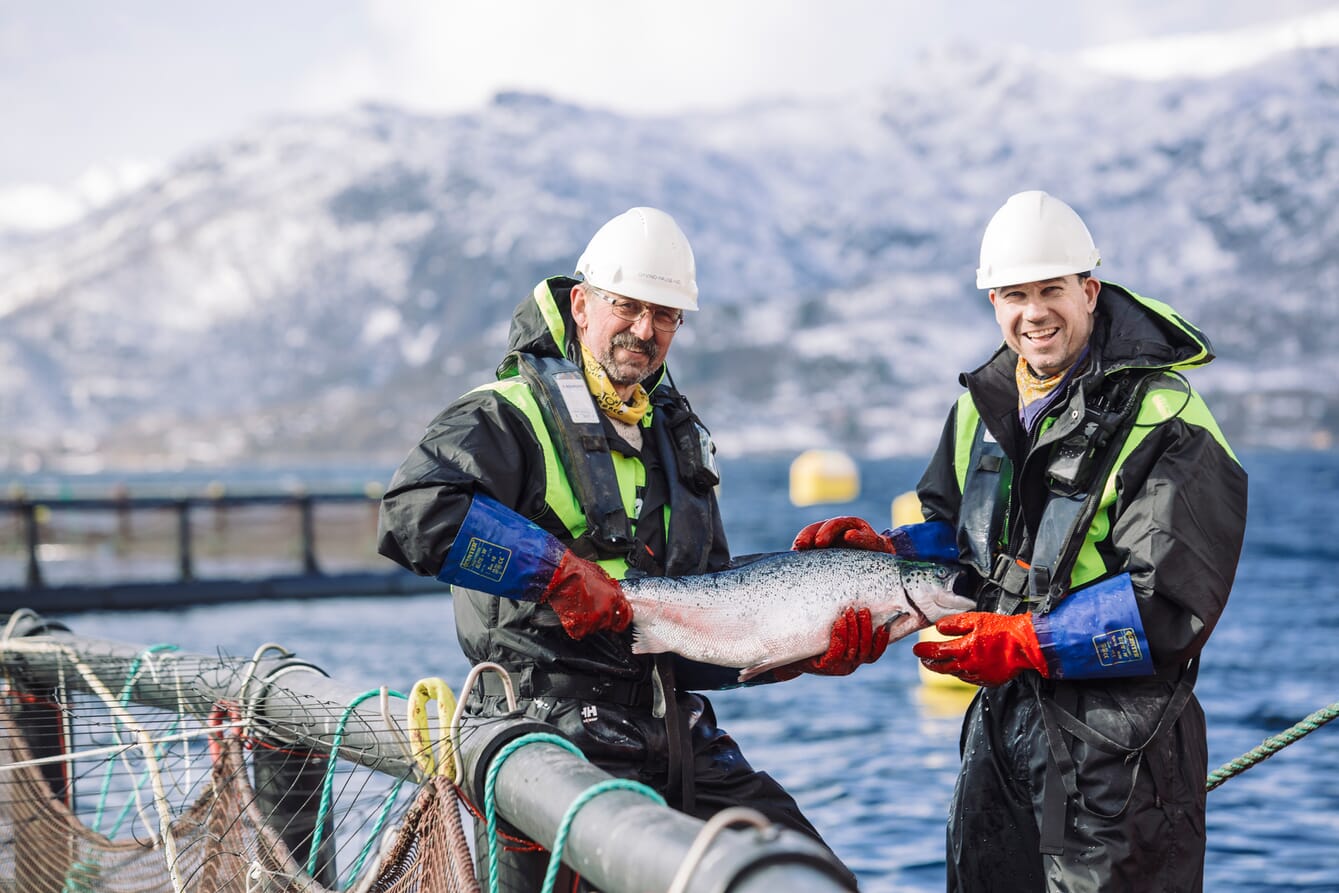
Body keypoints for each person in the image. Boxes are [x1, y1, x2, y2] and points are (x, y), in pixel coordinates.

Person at [378, 207, 873, 891]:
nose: (644, 329)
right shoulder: (506, 413)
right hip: (544, 736)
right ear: (581, 304)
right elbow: (413, 513)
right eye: (628, 306)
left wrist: (793, 651)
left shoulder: (680, 437)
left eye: (664, 314)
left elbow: (698, 620)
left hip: (674, 734)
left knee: (806, 876)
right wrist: (555, 574)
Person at [794, 190, 1247, 891]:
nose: (1033, 312)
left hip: (1123, 753)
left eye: (1050, 290)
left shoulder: (1168, 414)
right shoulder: (979, 407)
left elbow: (1169, 602)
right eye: (1013, 294)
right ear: (992, 303)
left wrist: (1024, 642)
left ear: (1088, 291)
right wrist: (886, 555)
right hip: (999, 734)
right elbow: (956, 538)